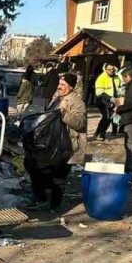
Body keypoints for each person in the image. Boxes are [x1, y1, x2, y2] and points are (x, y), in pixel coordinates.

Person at [24, 72, 87, 211]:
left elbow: (80, 123)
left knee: (59, 175)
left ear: (71, 87)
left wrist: (64, 113)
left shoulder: (77, 102)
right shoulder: (57, 97)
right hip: (52, 143)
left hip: (67, 146)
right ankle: (41, 198)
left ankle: (54, 205)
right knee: (34, 167)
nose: (59, 87)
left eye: (63, 84)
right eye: (59, 84)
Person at [93, 62, 121, 139]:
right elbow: (99, 92)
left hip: (114, 100)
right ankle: (98, 133)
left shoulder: (116, 77)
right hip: (103, 100)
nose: (111, 71)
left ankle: (102, 133)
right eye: (109, 69)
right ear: (105, 70)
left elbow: (119, 87)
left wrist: (120, 94)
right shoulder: (101, 78)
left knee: (111, 117)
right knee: (106, 117)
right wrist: (109, 98)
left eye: (112, 69)